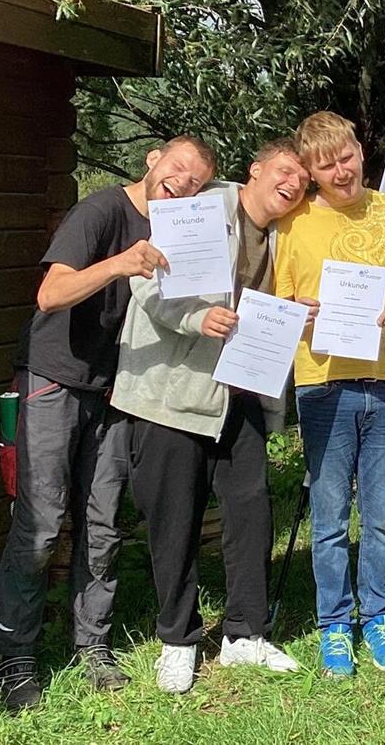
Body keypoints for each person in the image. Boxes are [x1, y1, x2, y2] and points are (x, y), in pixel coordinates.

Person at [0, 135, 215, 712]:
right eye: (178, 169)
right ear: (152, 159)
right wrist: (120, 261)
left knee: (104, 523)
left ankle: (93, 644)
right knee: (39, 526)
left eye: (197, 183)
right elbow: (50, 293)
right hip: (53, 377)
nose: (183, 184)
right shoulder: (102, 211)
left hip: (114, 388)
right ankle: (12, 653)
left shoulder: (180, 230)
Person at [111, 138, 310, 693]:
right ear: (258, 169)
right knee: (174, 518)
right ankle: (178, 638)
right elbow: (145, 282)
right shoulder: (199, 207)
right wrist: (197, 320)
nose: (292, 185)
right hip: (174, 390)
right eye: (285, 171)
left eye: (301, 181)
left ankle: (245, 633)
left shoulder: (287, 236)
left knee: (250, 509)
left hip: (241, 389)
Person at [274, 112, 385, 678]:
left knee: (383, 514)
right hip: (322, 383)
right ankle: (334, 625)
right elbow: (278, 305)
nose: (341, 170)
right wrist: (301, 315)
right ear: (311, 173)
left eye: (346, 156)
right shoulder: (294, 225)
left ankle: (378, 618)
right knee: (331, 515)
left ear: (360, 150)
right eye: (325, 164)